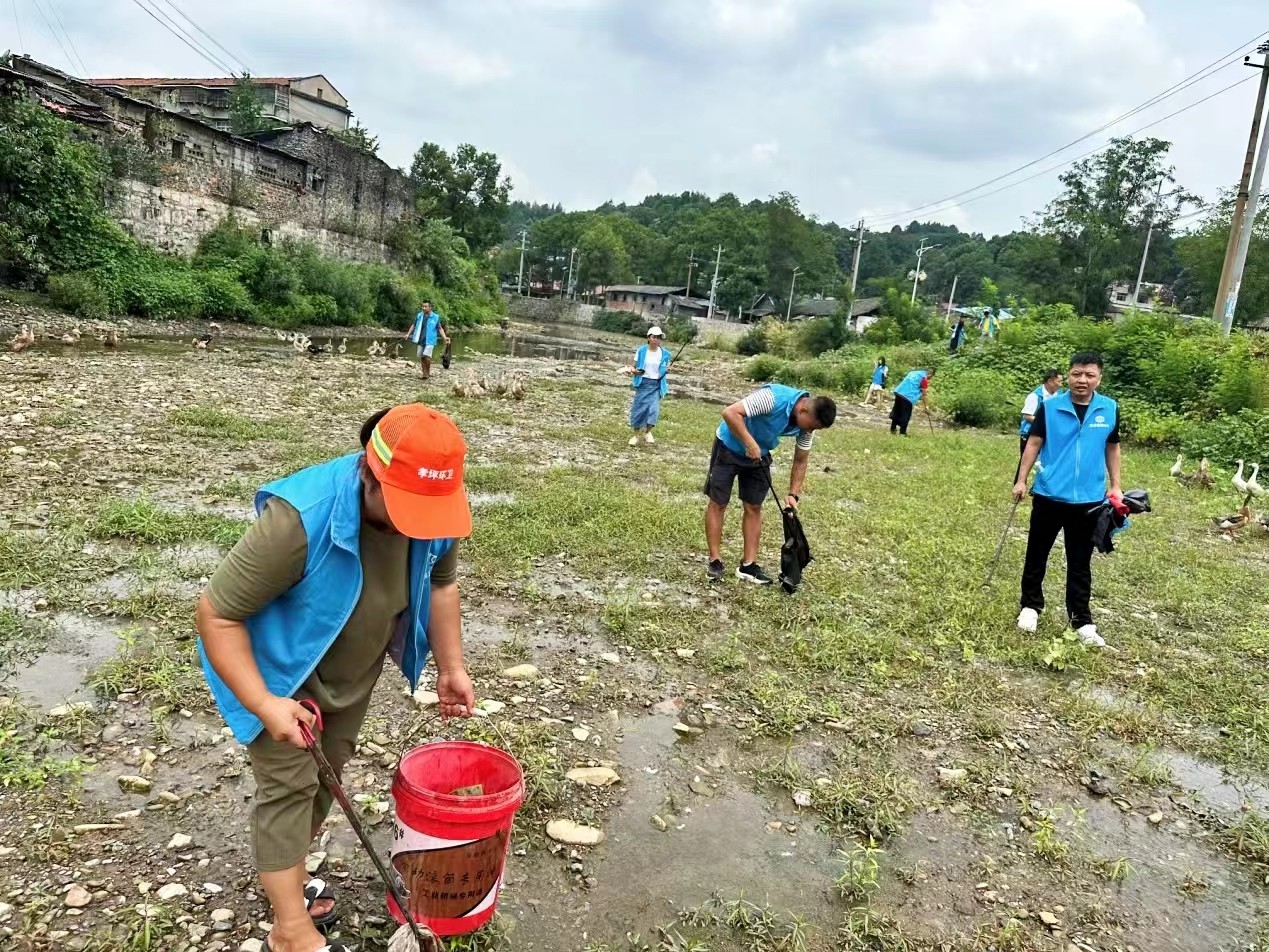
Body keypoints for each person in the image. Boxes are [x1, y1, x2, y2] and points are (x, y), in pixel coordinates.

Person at [196, 404, 475, 952]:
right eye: (403, 509)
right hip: (278, 675)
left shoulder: (435, 512)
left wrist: (452, 666)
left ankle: (288, 879)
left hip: (352, 673)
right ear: (371, 475)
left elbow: (442, 585)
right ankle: (291, 932)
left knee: (326, 780)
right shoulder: (301, 520)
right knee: (289, 787)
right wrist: (266, 703)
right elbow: (217, 614)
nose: (413, 526)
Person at [1013, 352, 1121, 649]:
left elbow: (1112, 447)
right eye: (1076, 374)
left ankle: (1081, 621)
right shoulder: (1050, 407)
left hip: (1088, 500)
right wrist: (1021, 480)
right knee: (1037, 553)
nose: (1081, 380)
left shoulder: (1109, 409)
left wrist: (1116, 486)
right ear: (1068, 375)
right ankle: (1030, 607)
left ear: (1099, 377)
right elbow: (1034, 443)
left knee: (1080, 561)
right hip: (1049, 494)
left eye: (1089, 375)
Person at [704, 383, 837, 584]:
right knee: (719, 502)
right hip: (728, 446)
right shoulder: (772, 398)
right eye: (810, 426)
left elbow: (801, 459)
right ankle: (715, 561)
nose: (810, 431)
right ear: (803, 409)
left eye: (814, 428)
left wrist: (793, 494)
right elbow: (730, 412)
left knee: (754, 506)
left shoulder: (807, 424)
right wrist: (750, 443)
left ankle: (748, 565)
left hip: (759, 454)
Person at [1016, 369, 1063, 479]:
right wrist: (1045, 423)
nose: (1061, 385)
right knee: (1025, 462)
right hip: (1030, 434)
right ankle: (1019, 484)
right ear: (1050, 381)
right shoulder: (1034, 396)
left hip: (1051, 434)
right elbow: (1027, 416)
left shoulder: (1060, 396)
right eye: (1059, 381)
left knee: (1049, 461)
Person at [628, 326, 671, 446]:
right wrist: (634, 371)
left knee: (653, 410)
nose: (656, 340)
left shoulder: (665, 354)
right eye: (654, 337)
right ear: (648, 337)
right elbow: (633, 366)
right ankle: (635, 435)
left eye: (658, 337)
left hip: (656, 385)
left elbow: (664, 369)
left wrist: (667, 370)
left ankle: (648, 432)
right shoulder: (641, 351)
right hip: (643, 383)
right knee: (639, 410)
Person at [407, 301, 450, 380]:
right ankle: (424, 373)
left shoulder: (435, 317)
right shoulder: (419, 315)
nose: (423, 308)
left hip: (430, 340)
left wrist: (444, 337)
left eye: (425, 306)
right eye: (423, 306)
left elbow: (439, 328)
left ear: (430, 307)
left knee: (427, 356)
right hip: (420, 339)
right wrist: (408, 334)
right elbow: (414, 325)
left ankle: (427, 372)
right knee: (422, 357)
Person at [889, 367, 934, 436]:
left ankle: (893, 430)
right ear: (929, 374)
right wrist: (927, 406)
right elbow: (924, 393)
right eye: (930, 377)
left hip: (899, 392)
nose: (930, 379)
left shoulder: (913, 373)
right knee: (906, 415)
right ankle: (902, 433)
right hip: (908, 396)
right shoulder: (924, 379)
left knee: (897, 411)